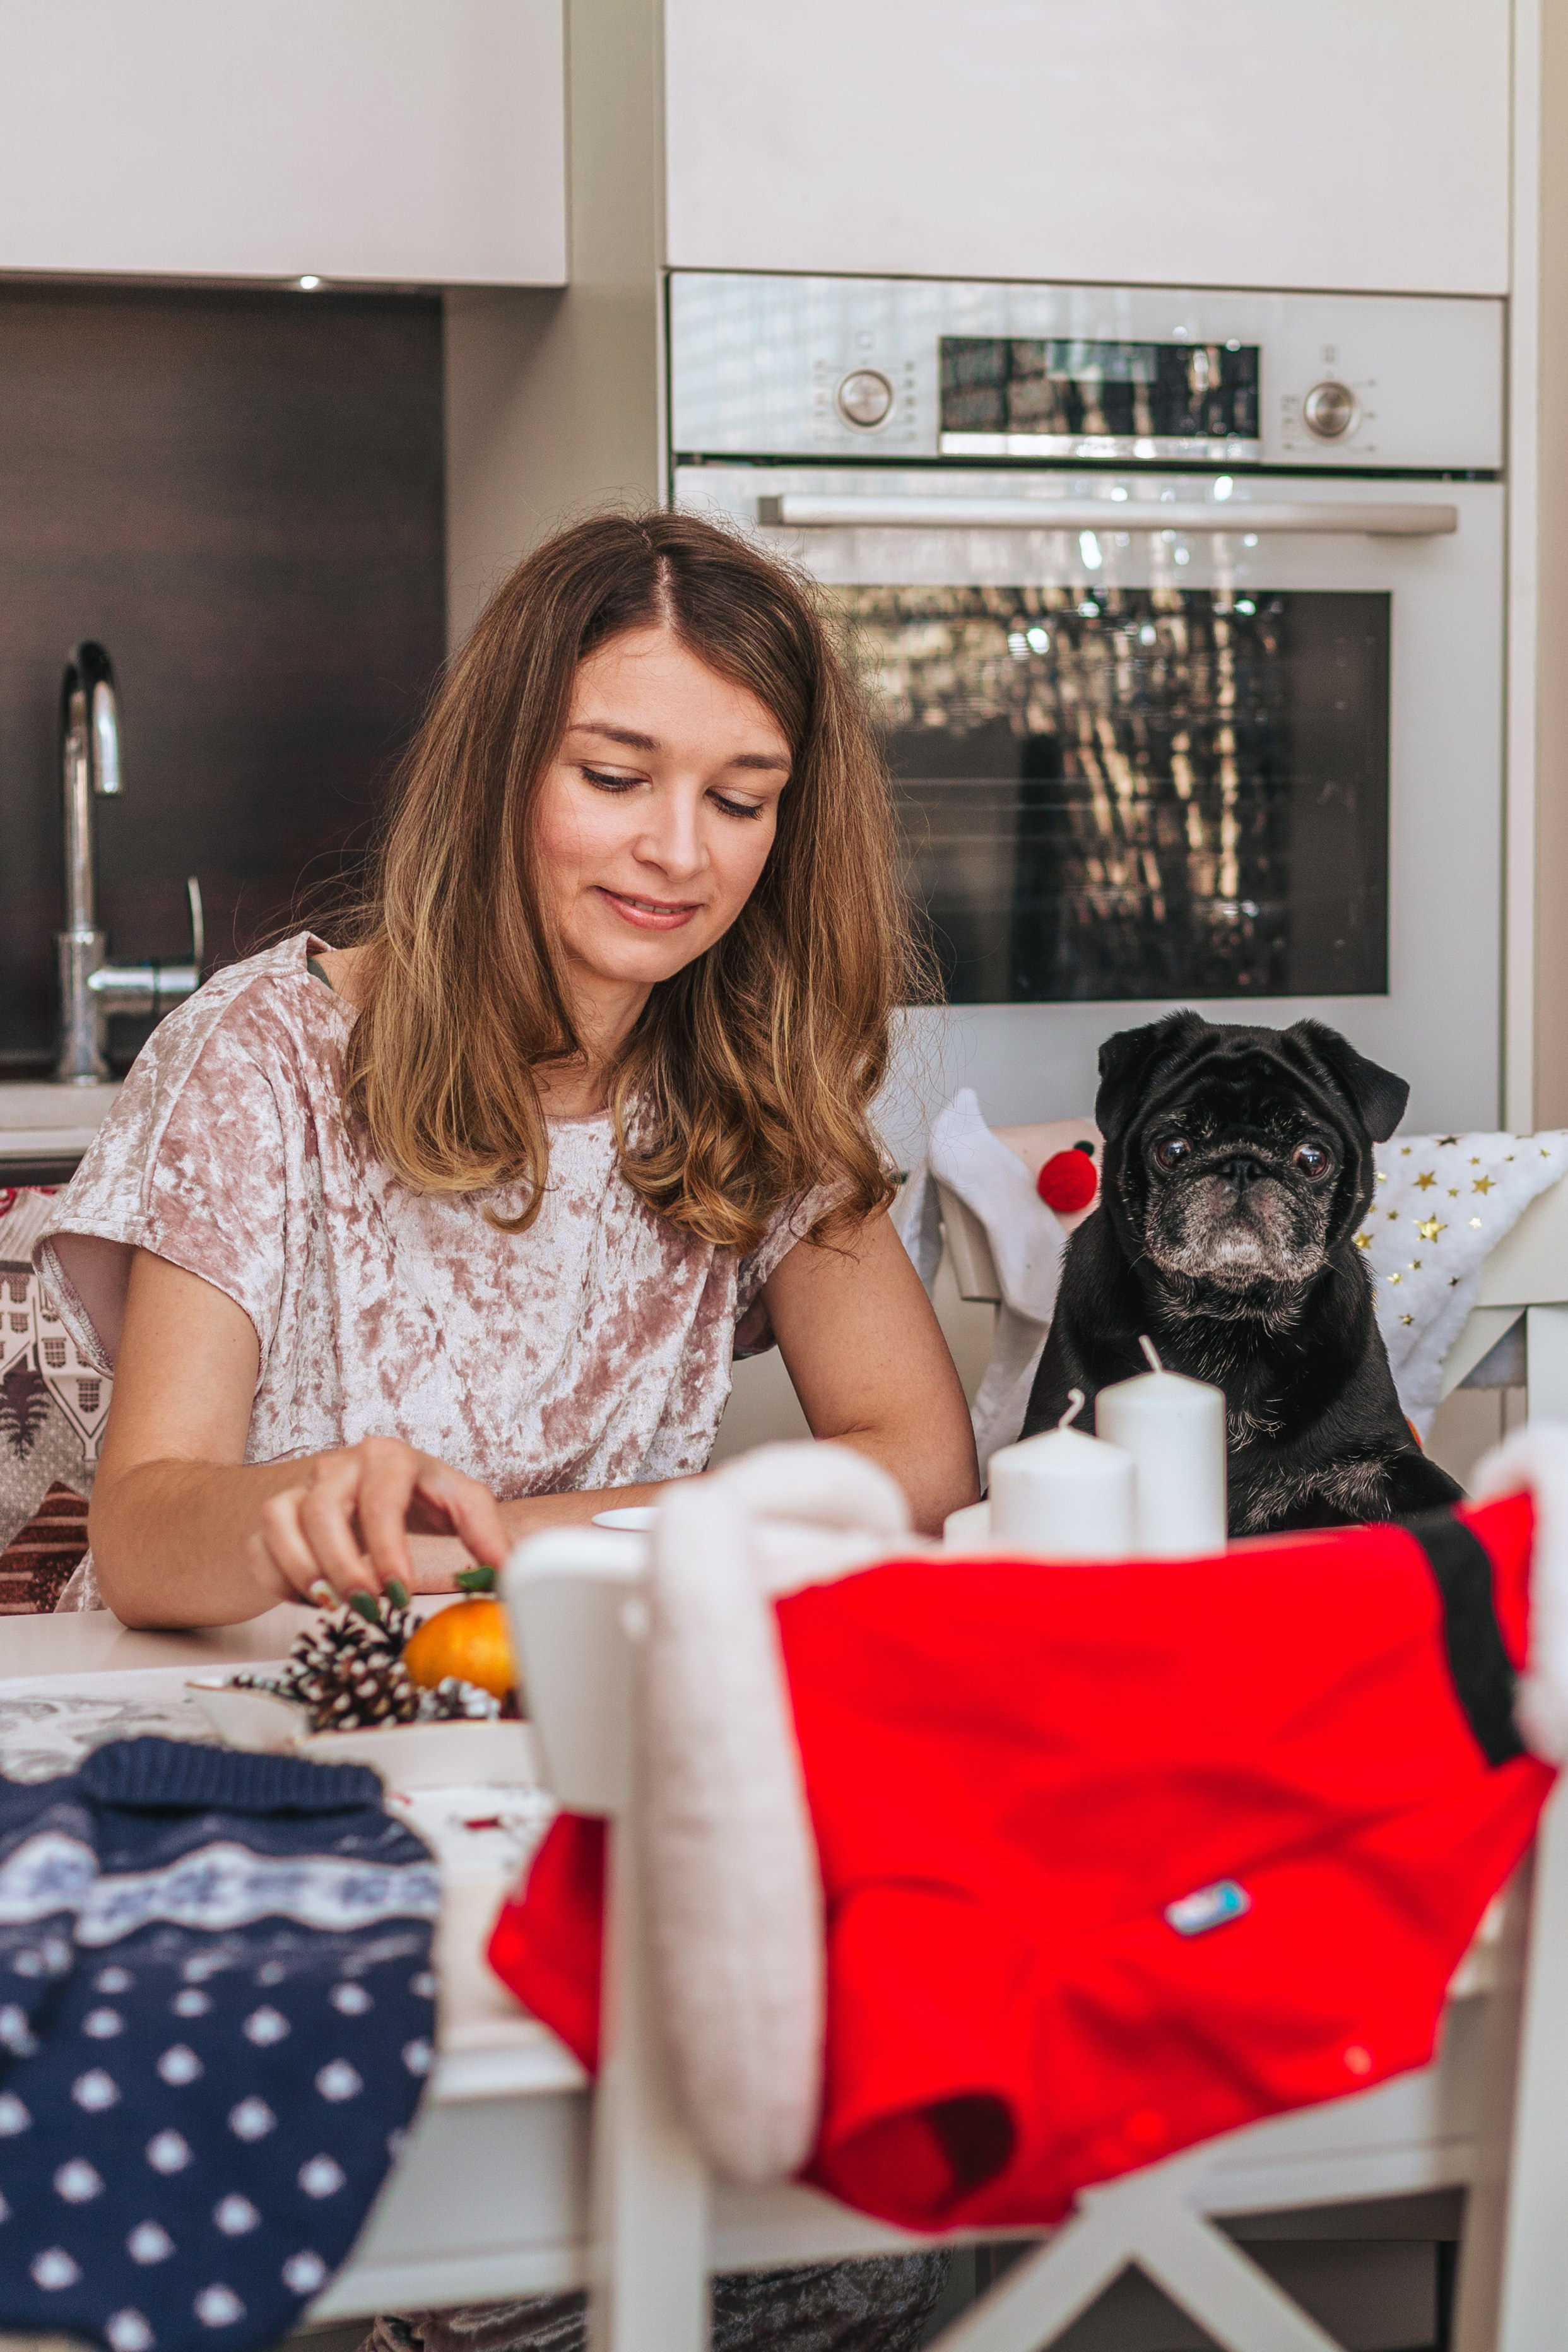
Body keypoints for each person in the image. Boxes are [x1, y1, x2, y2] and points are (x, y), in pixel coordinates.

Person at [38, 511, 979, 1627]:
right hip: (240, 1689)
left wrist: (478, 1546)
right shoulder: (263, 1055)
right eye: (614, 778)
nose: (679, 852)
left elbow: (923, 1468)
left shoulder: (753, 1070)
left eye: (738, 801)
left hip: (564, 1681)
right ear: (497, 771)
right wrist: (312, 1507)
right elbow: (142, 1540)